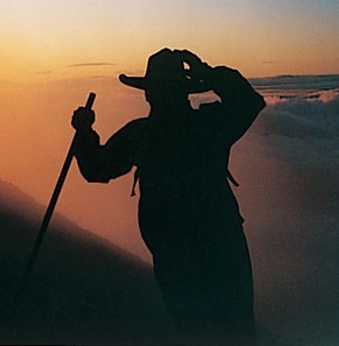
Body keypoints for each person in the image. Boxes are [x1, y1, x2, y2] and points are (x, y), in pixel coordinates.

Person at [71, 48, 265, 345]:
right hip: (224, 248)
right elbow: (249, 102)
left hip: (175, 257)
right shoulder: (210, 124)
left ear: (149, 94)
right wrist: (208, 73)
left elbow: (96, 168)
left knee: (194, 332)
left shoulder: (141, 134)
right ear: (185, 91)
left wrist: (84, 131)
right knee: (237, 330)